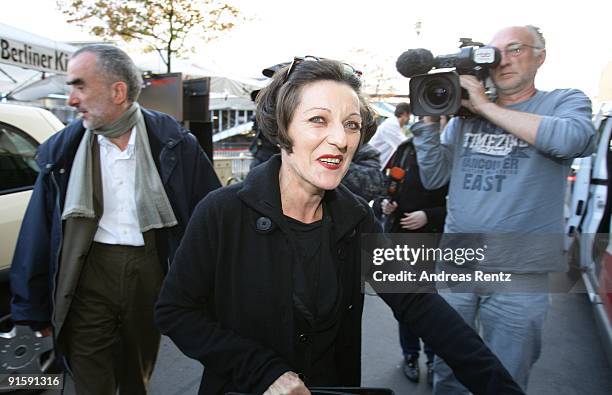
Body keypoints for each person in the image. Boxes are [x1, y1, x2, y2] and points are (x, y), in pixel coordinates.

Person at [154, 57, 523, 395]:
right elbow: (175, 311)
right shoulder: (222, 213)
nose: (341, 139)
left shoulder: (356, 217)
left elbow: (418, 304)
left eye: (352, 125)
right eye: (318, 120)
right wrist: (261, 371)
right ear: (283, 129)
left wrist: (499, 387)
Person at [9, 44, 221, 394]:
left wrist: (217, 292)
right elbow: (38, 234)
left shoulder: (173, 143)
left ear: (117, 91)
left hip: (152, 272)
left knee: (136, 375)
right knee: (91, 379)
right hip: (88, 273)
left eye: (80, 86)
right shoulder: (62, 150)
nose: (72, 99)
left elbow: (209, 219)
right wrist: (30, 310)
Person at [410, 26, 596, 394]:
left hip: (520, 272)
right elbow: (434, 178)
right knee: (449, 368)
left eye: (515, 49)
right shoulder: (465, 118)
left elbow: (573, 139)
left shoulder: (562, 101)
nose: (503, 60)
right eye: (494, 53)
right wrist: (429, 122)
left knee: (504, 376)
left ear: (540, 56)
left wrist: (486, 106)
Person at [380, 131, 449, 385]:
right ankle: (410, 355)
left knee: (432, 306)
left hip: (435, 241)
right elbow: (387, 184)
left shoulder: (450, 149)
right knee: (405, 305)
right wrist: (386, 204)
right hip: (400, 239)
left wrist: (429, 216)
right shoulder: (406, 148)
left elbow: (463, 205)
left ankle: (433, 360)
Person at [368, 102, 411, 170]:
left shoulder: (394, 124)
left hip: (376, 163)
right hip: (370, 164)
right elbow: (403, 144)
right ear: (405, 114)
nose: (410, 118)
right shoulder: (391, 125)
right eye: (409, 115)